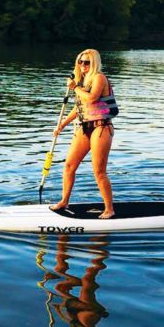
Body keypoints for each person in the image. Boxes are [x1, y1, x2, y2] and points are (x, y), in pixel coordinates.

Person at [50, 49, 118, 219]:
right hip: (83, 127)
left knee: (99, 171)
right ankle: (64, 201)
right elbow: (79, 107)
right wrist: (62, 124)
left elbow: (92, 98)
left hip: (101, 127)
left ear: (94, 63)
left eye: (87, 62)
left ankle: (109, 209)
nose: (82, 65)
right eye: (80, 62)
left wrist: (74, 87)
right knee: (69, 166)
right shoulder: (82, 81)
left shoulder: (99, 78)